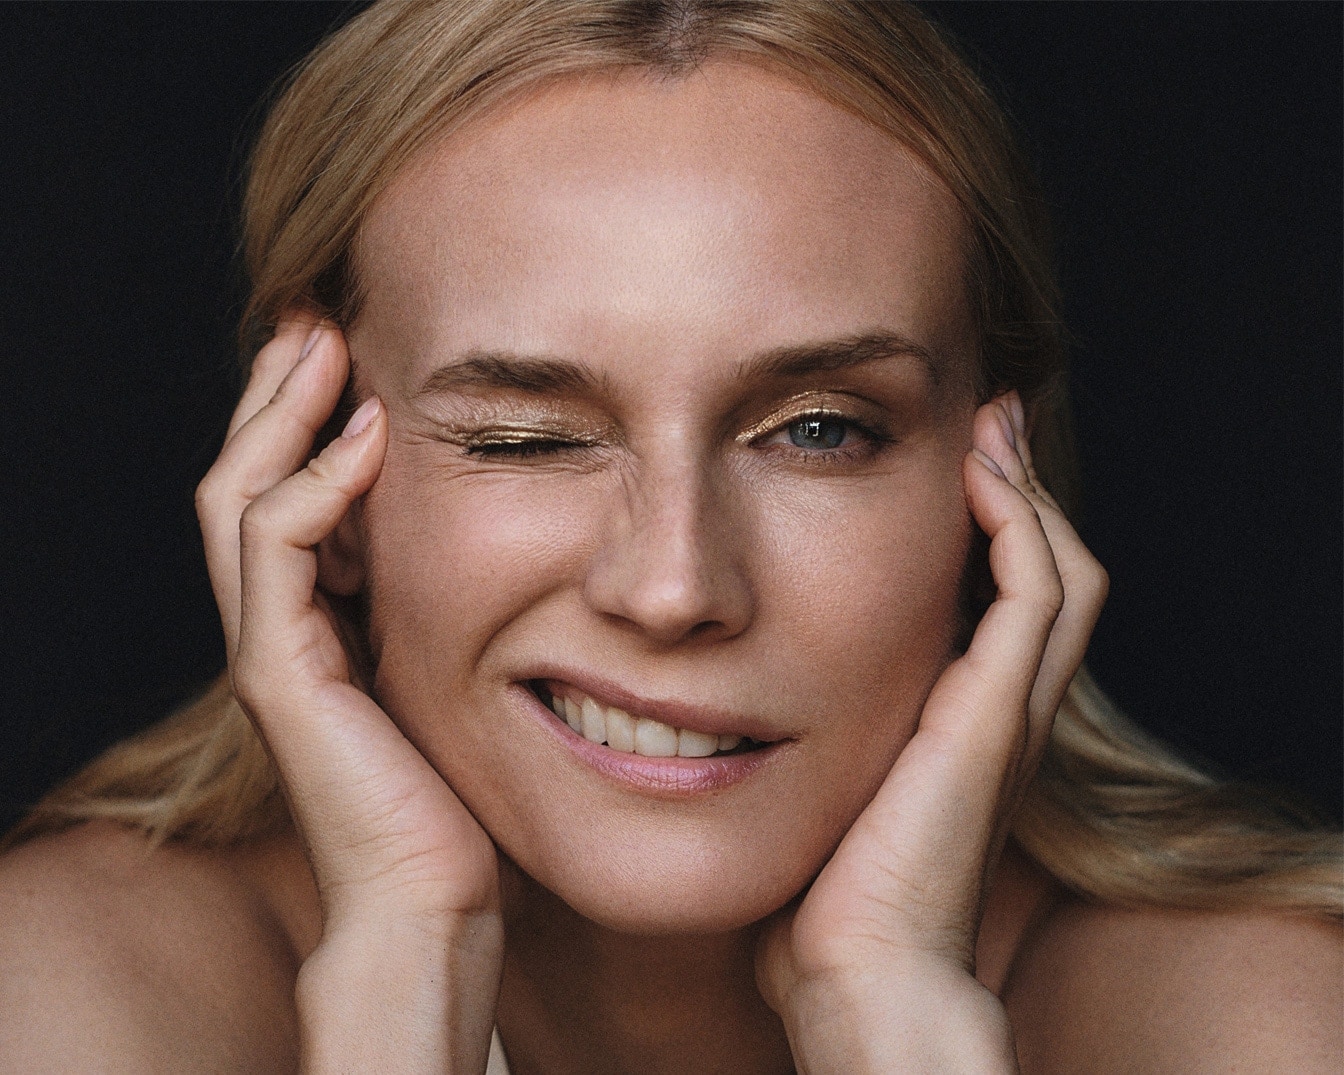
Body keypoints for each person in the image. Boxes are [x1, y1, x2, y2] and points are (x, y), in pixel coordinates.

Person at [1, 1, 1338, 1070]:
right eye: (526, 438)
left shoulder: (1251, 1021)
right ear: (320, 485)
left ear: (999, 486)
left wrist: (892, 1012)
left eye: (819, 431)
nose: (673, 585)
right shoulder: (73, 992)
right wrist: (407, 969)